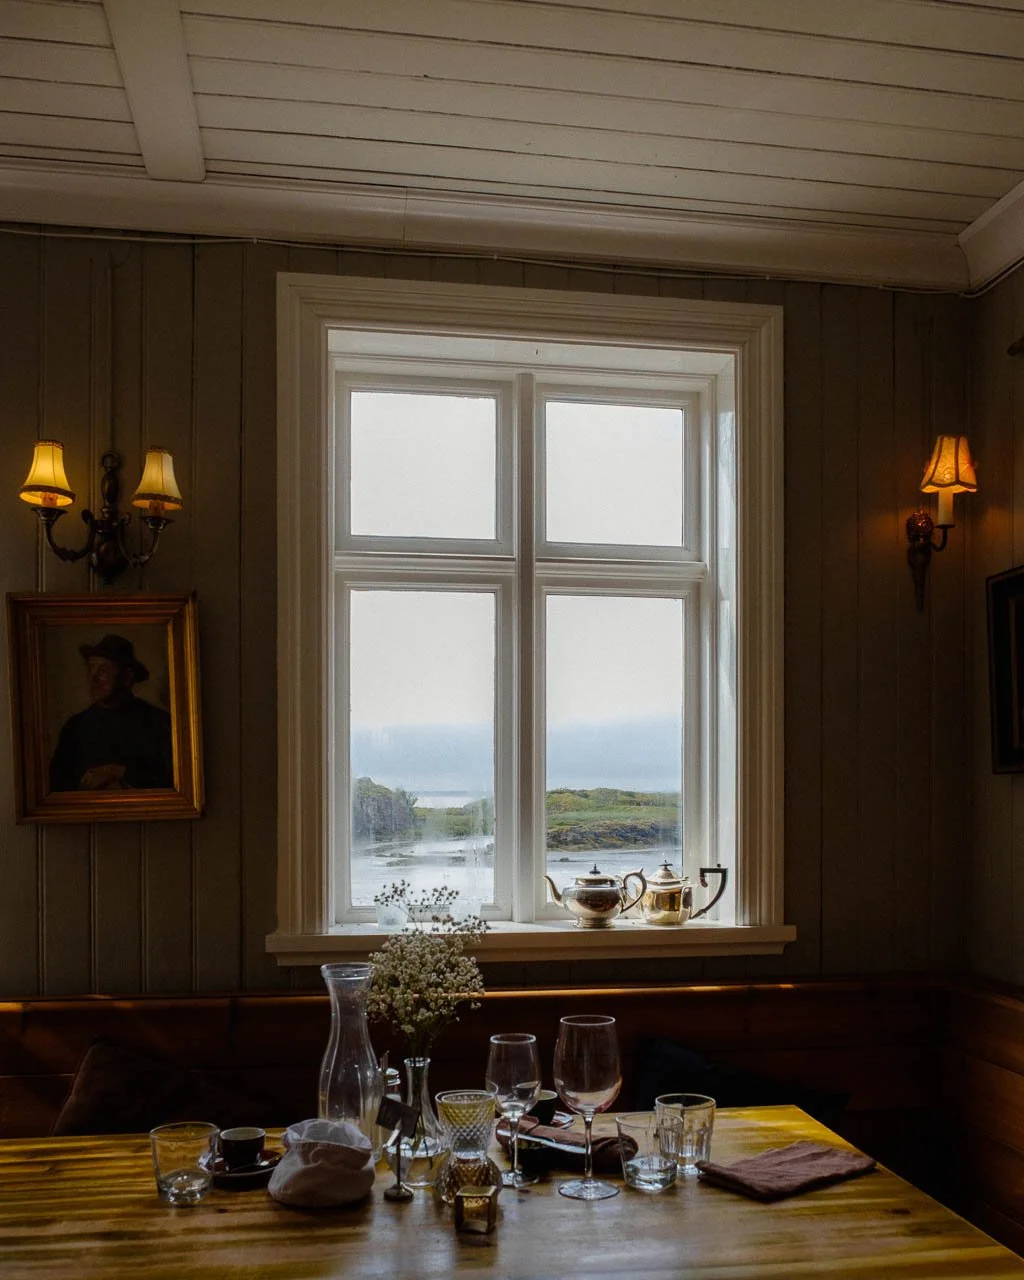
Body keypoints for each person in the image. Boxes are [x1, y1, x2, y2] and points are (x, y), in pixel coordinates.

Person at [49, 634, 174, 792]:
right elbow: (57, 785)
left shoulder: (159, 723)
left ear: (127, 677)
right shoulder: (75, 727)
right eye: (90, 669)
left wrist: (119, 772)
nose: (93, 679)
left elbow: (173, 782)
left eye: (102, 670)